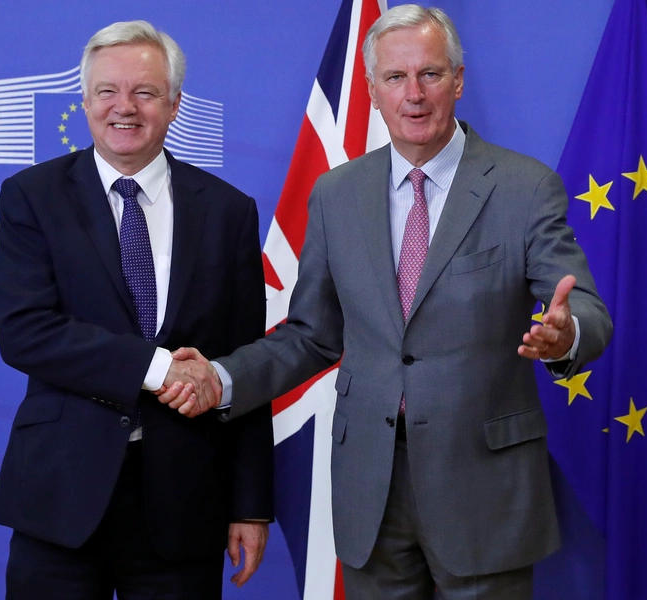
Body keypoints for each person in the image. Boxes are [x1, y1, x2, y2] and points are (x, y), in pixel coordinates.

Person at [161, 4, 612, 599]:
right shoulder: (336, 194)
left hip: (482, 483)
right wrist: (220, 376)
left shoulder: (524, 187)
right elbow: (311, 335)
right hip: (371, 485)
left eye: (429, 74)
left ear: (458, 80)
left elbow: (584, 306)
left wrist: (565, 335)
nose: (414, 94)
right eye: (396, 78)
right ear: (372, 89)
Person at [0, 20, 273, 599]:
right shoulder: (32, 197)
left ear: (174, 104)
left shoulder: (228, 211)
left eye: (144, 92)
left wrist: (251, 505)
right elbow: (26, 332)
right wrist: (158, 368)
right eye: (107, 92)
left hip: (183, 502)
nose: (125, 108)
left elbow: (245, 365)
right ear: (86, 101)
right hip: (61, 499)